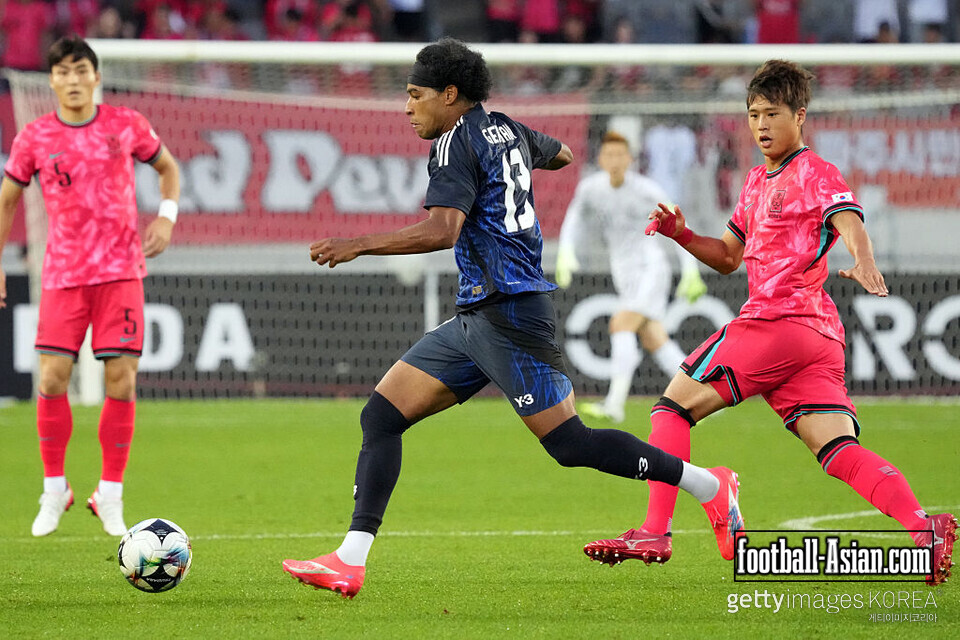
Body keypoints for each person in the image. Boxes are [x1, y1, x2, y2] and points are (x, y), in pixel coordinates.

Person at [281, 38, 744, 599]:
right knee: (381, 416)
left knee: (571, 444)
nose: (407, 107)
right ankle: (349, 561)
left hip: (510, 314)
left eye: (414, 95)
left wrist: (358, 245)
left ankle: (707, 484)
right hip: (477, 315)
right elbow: (564, 156)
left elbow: (441, 230)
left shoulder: (455, 143)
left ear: (449, 95)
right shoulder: (506, 127)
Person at [583, 60, 957, 586]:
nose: (761, 125)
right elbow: (730, 256)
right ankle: (924, 528)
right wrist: (681, 236)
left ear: (799, 116)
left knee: (670, 410)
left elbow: (847, 218)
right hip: (817, 339)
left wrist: (864, 256)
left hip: (780, 322)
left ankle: (656, 529)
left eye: (773, 114)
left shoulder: (815, 171)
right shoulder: (757, 181)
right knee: (837, 451)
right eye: (754, 114)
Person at [0, 36, 181, 537]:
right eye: (62, 72)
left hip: (121, 271)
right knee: (52, 377)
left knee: (121, 378)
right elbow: (8, 197)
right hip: (63, 275)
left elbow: (169, 168)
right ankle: (55, 487)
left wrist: (166, 218)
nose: (73, 80)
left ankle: (111, 493)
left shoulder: (125, 124)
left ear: (96, 76)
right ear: (52, 80)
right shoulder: (34, 136)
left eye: (81, 70)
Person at [556, 131, 706, 424]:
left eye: (620, 156)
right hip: (623, 273)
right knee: (654, 339)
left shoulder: (647, 190)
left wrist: (690, 271)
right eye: (608, 155)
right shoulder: (591, 189)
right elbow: (574, 219)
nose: (614, 161)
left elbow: (677, 225)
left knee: (620, 323)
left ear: (630, 160)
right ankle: (709, 394)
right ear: (600, 159)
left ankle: (614, 404)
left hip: (650, 268)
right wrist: (565, 253)